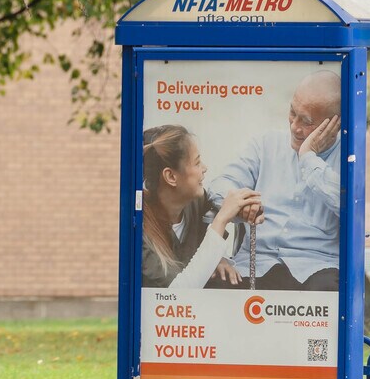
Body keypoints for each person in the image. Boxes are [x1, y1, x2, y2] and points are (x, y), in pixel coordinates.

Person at [204, 68, 342, 291]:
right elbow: (219, 185)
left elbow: (349, 207)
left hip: (316, 268)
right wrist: (241, 204)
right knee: (212, 284)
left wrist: (308, 157)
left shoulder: (347, 160)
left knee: (326, 295)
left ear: (334, 124)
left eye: (307, 121)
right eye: (292, 112)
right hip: (256, 263)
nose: (294, 126)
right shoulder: (266, 145)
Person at [141, 125, 259, 289]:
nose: (204, 168)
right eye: (197, 163)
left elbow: (210, 229)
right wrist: (221, 219)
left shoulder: (195, 202)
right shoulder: (141, 236)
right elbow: (178, 293)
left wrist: (219, 257)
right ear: (171, 176)